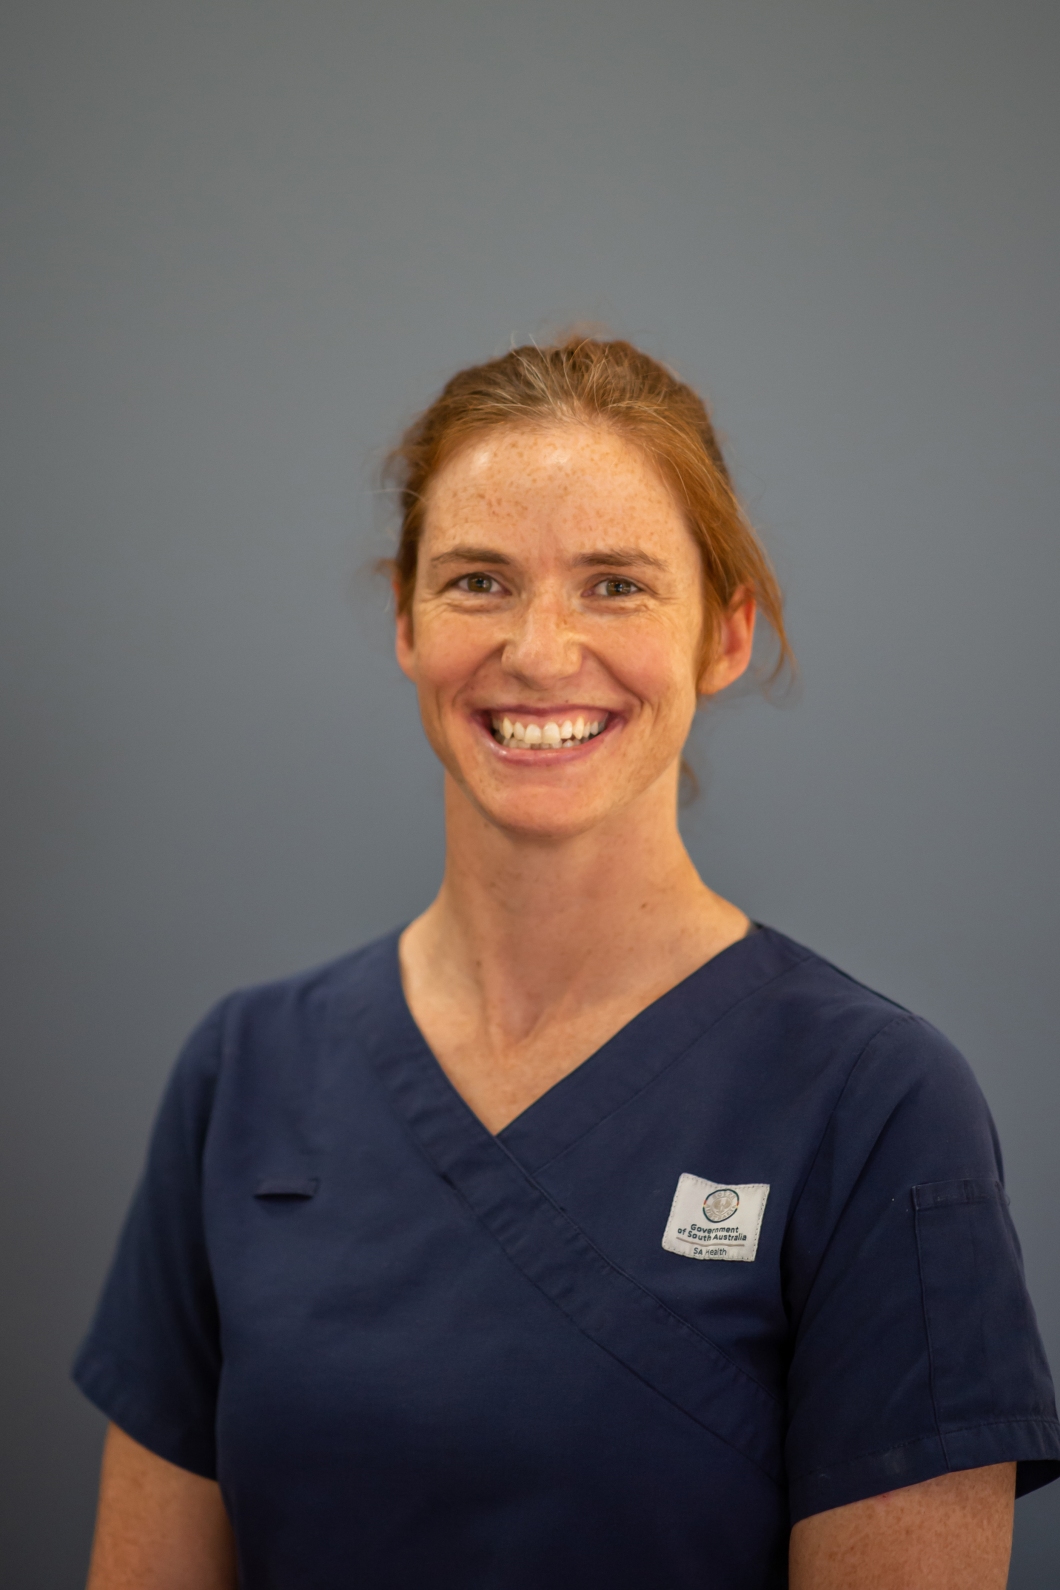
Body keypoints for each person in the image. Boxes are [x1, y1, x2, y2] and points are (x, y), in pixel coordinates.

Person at [75, 337, 1059, 1589]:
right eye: (479, 581)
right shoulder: (246, 1072)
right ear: (405, 623)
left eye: (616, 586)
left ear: (726, 634)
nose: (540, 652)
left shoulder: (872, 1103)